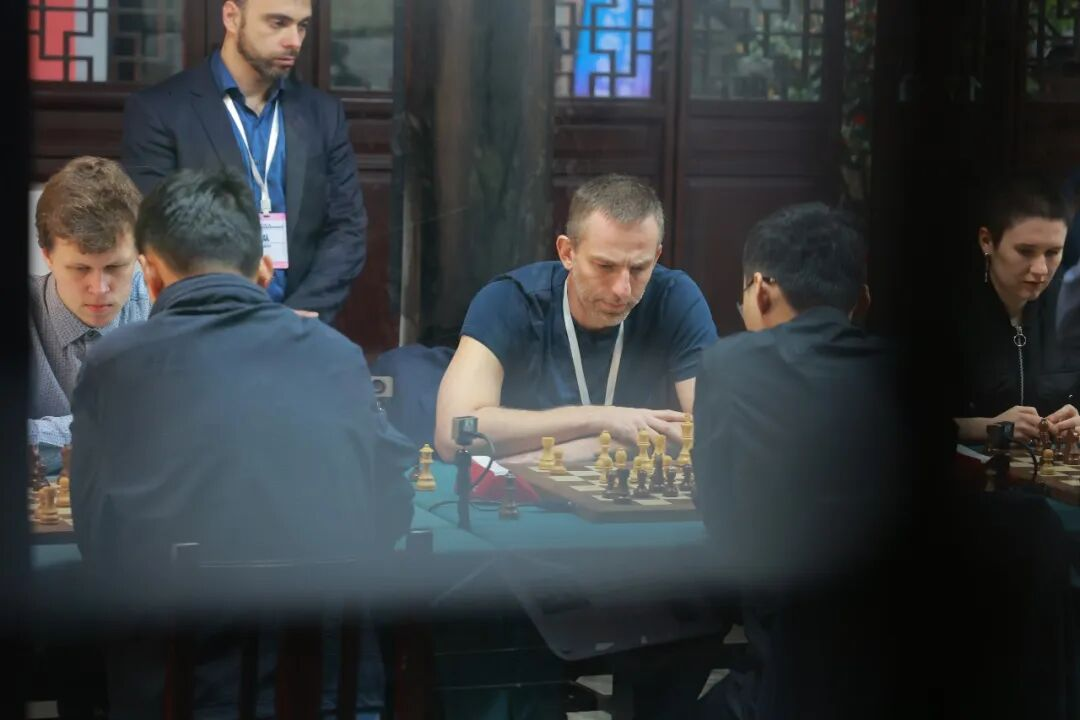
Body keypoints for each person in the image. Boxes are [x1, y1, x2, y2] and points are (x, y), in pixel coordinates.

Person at [69, 167, 413, 719]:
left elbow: (98, 543)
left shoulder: (115, 365)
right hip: (332, 698)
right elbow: (392, 511)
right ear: (264, 271)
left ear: (150, 277)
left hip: (175, 698)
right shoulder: (337, 356)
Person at [692, 202, 906, 720]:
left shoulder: (729, 363)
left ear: (760, 290)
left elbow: (723, 525)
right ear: (863, 300)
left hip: (785, 689)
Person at [434, 173, 718, 461]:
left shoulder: (675, 298)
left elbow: (715, 431)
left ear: (656, 258)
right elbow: (452, 433)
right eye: (605, 266)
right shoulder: (510, 299)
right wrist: (601, 419)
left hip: (616, 484)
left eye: (638, 269)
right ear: (567, 252)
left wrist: (583, 449)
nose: (622, 290)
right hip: (524, 490)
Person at [121, 0, 366, 322]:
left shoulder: (322, 113)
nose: (294, 40)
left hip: (302, 325)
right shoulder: (161, 111)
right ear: (232, 17)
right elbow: (158, 235)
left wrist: (293, 318)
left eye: (302, 26)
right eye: (278, 23)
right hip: (204, 326)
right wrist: (235, 321)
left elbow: (347, 228)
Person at [29, 156, 150, 452]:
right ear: (48, 257)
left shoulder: (165, 306)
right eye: (80, 269)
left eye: (115, 267)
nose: (99, 288)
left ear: (139, 253)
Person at [951, 176, 1080, 443]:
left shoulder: (1070, 308)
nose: (1041, 270)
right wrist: (987, 427)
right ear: (987, 241)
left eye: (1053, 252)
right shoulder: (946, 311)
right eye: (1025, 251)